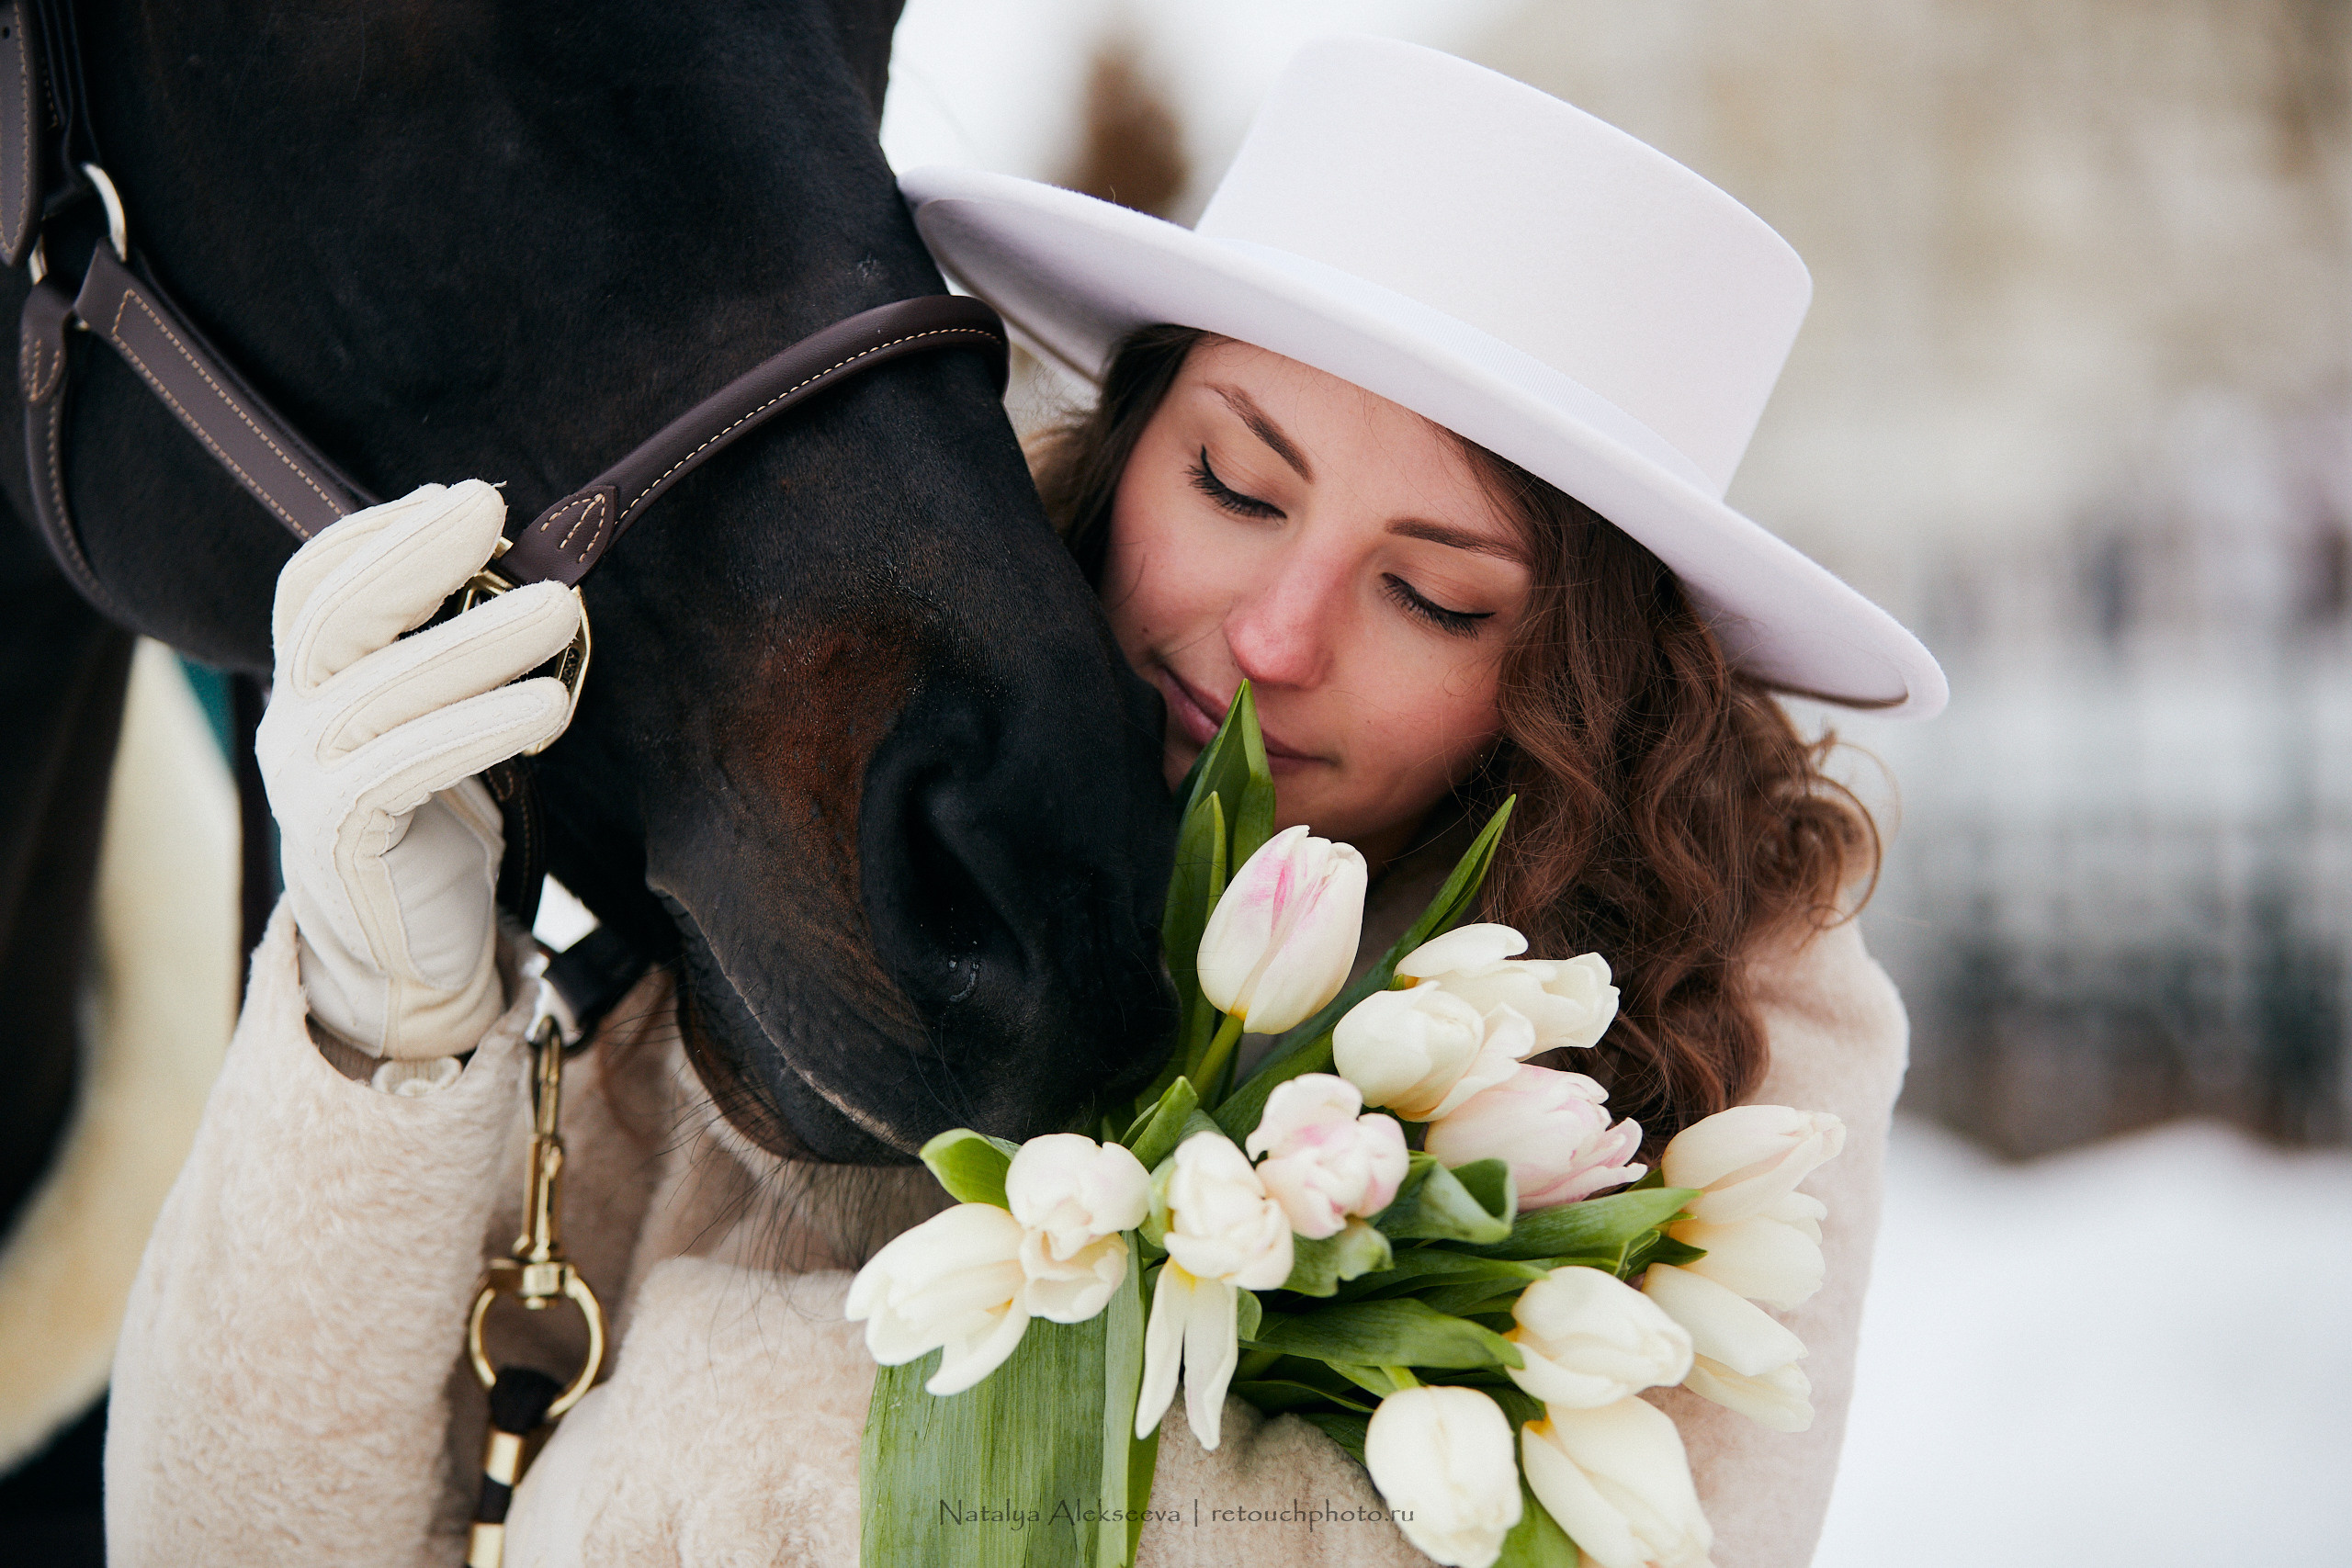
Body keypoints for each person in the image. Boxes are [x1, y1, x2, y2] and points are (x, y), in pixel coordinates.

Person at [105, 37, 1939, 1568]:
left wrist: (688, 1452)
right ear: (1126, 442)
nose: (1274, 633)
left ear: (1575, 681)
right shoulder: (861, 795)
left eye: (1431, 592)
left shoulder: (1711, 1025)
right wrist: (380, 1028)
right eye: (1234, 483)